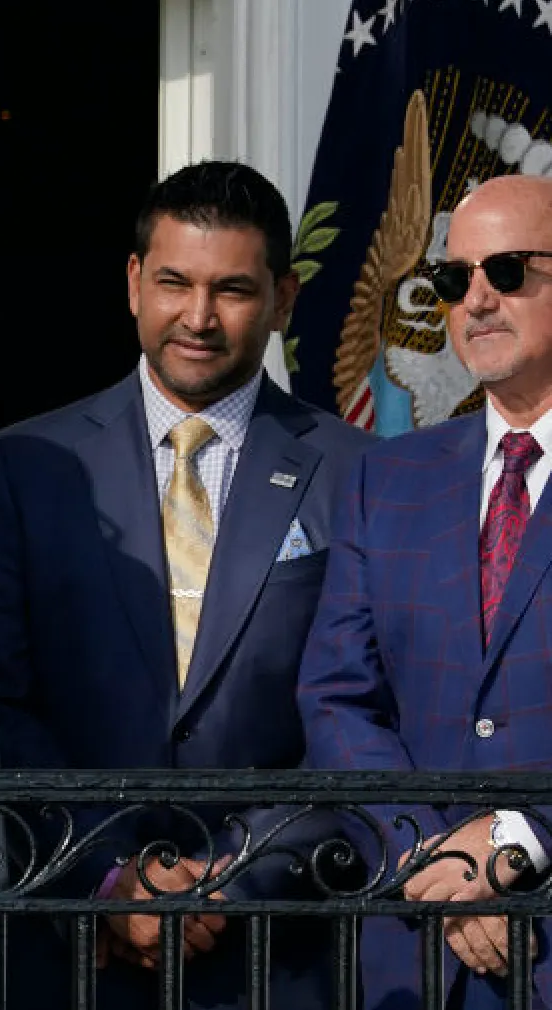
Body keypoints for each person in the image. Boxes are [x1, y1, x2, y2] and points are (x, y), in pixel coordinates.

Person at [0, 160, 373, 1008]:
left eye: (233, 290)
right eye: (174, 282)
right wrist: (107, 879)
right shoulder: (23, 468)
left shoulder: (360, 473)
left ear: (285, 299)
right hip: (58, 954)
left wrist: (233, 880)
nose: (199, 317)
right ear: (134, 282)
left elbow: (362, 712)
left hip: (275, 959)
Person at [300, 173, 552, 1010]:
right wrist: (431, 854)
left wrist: (521, 838)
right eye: (455, 280)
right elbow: (338, 698)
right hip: (415, 958)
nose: (476, 300)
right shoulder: (389, 478)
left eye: (508, 272)